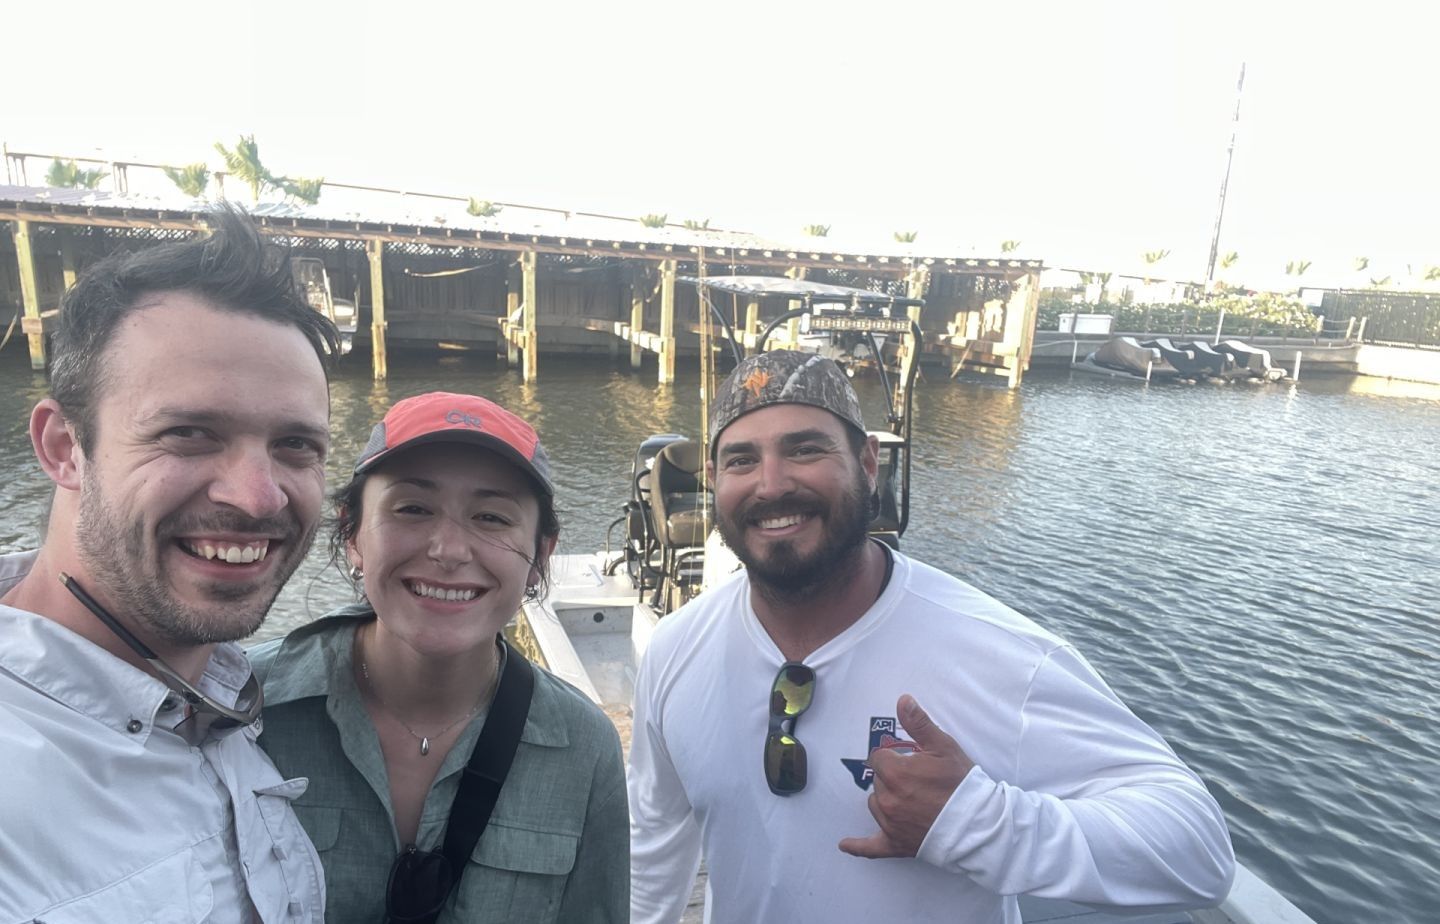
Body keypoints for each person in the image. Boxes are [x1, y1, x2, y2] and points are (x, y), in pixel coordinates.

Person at [628, 349, 1236, 923]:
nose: (771, 483)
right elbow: (653, 842)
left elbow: (1197, 847)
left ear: (867, 464)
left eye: (805, 449)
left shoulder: (999, 655)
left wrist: (980, 825)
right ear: (714, 480)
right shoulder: (677, 650)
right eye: (741, 460)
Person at [0, 207, 338, 922]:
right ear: (64, 446)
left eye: (296, 446)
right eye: (187, 434)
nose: (256, 497)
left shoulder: (213, 691)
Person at [249, 391, 628, 923]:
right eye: (412, 509)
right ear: (353, 534)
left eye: (492, 517)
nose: (448, 550)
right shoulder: (241, 711)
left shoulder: (583, 747)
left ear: (541, 555)